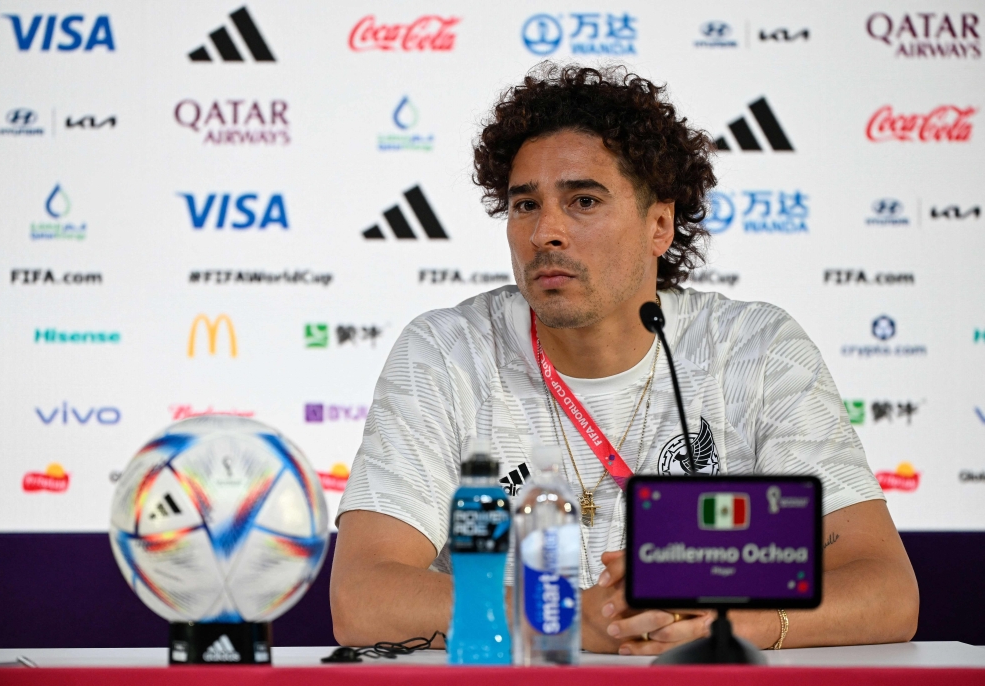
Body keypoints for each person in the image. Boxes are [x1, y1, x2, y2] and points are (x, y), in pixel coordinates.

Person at [330, 64, 919, 655]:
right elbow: (361, 597)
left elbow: (887, 591)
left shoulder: (755, 350)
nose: (545, 233)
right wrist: (551, 618)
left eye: (583, 200)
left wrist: (728, 624)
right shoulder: (446, 352)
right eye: (524, 205)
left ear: (659, 224)